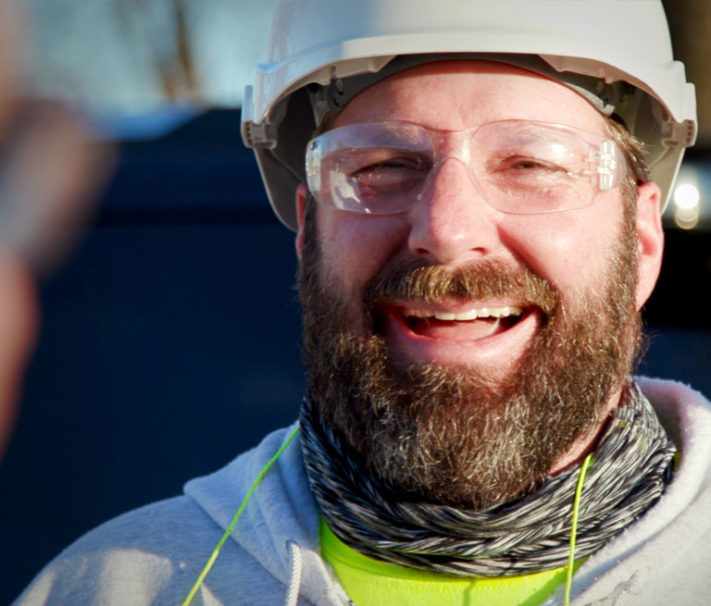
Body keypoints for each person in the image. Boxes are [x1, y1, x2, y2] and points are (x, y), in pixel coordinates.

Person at [14, 1, 709, 605]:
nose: (445, 229)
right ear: (306, 231)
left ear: (643, 241)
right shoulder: (115, 588)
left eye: (530, 165)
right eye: (380, 166)